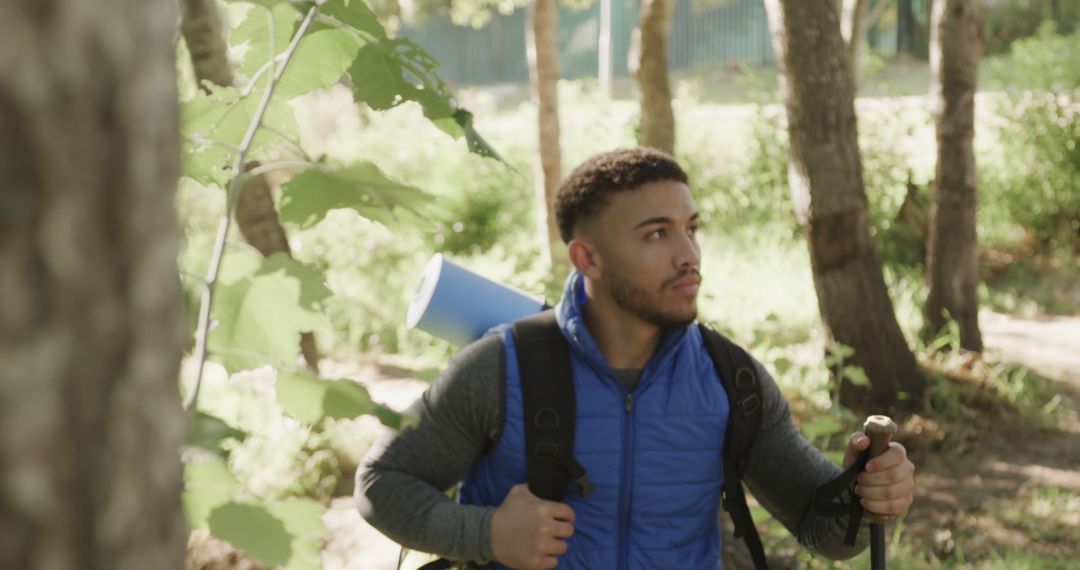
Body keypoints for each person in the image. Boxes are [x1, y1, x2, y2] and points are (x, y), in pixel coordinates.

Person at [357, 148, 915, 570]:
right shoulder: (500, 368)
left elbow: (829, 533)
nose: (689, 256)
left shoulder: (732, 379)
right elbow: (383, 484)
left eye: (691, 230)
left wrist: (865, 496)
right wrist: (486, 534)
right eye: (656, 234)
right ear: (588, 258)